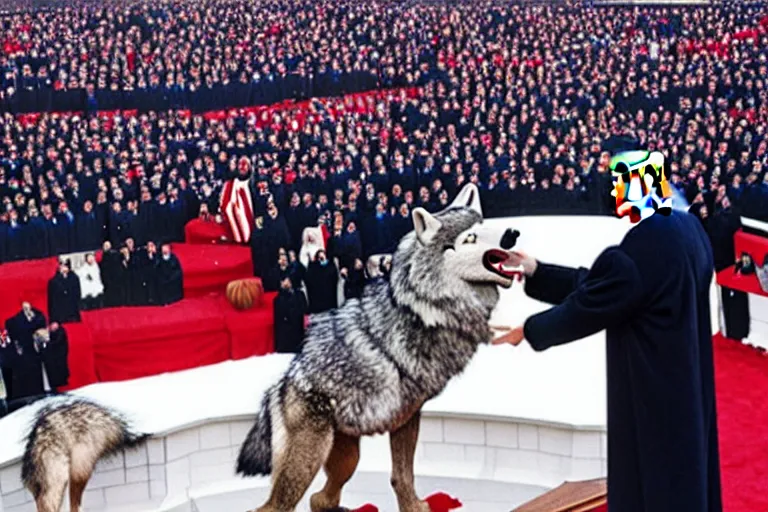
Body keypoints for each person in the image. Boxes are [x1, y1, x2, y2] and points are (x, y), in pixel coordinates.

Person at [494, 152, 721, 512]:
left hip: (651, 397)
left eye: (619, 183)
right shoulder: (689, 230)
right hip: (687, 390)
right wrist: (536, 269)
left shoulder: (642, 247)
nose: (613, 192)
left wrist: (529, 329)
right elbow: (606, 287)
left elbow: (590, 304)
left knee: (656, 488)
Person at [272, 276, 308, 354]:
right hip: (286, 330)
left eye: (287, 281)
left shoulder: (299, 294)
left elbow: (304, 308)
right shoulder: (278, 299)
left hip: (297, 326)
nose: (286, 283)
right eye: (284, 281)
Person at [304, 249, 338, 314]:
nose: (321, 259)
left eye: (323, 257)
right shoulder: (314, 268)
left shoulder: (330, 266)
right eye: (319, 258)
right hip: (318, 305)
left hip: (330, 302)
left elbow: (334, 277)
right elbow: (308, 280)